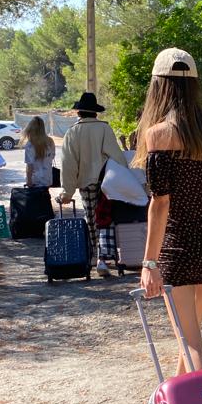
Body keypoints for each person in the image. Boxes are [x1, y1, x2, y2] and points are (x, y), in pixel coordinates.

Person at [136, 47, 202, 374]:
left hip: (177, 249)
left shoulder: (158, 135)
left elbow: (161, 203)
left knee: (191, 343)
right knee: (190, 332)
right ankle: (172, 402)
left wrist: (149, 262)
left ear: (159, 86)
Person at [59, 92, 125, 276]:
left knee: (91, 219)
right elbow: (117, 157)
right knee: (106, 217)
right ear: (95, 112)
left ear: (79, 112)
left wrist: (67, 191)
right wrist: (126, 177)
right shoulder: (104, 128)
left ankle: (95, 256)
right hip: (107, 181)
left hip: (85, 183)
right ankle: (105, 258)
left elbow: (68, 164)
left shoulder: (72, 132)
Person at [22, 116, 56, 188]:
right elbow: (52, 157)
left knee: (36, 198)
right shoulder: (50, 141)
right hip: (47, 178)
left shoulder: (30, 144)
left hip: (35, 180)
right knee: (44, 197)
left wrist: (28, 181)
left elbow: (29, 165)